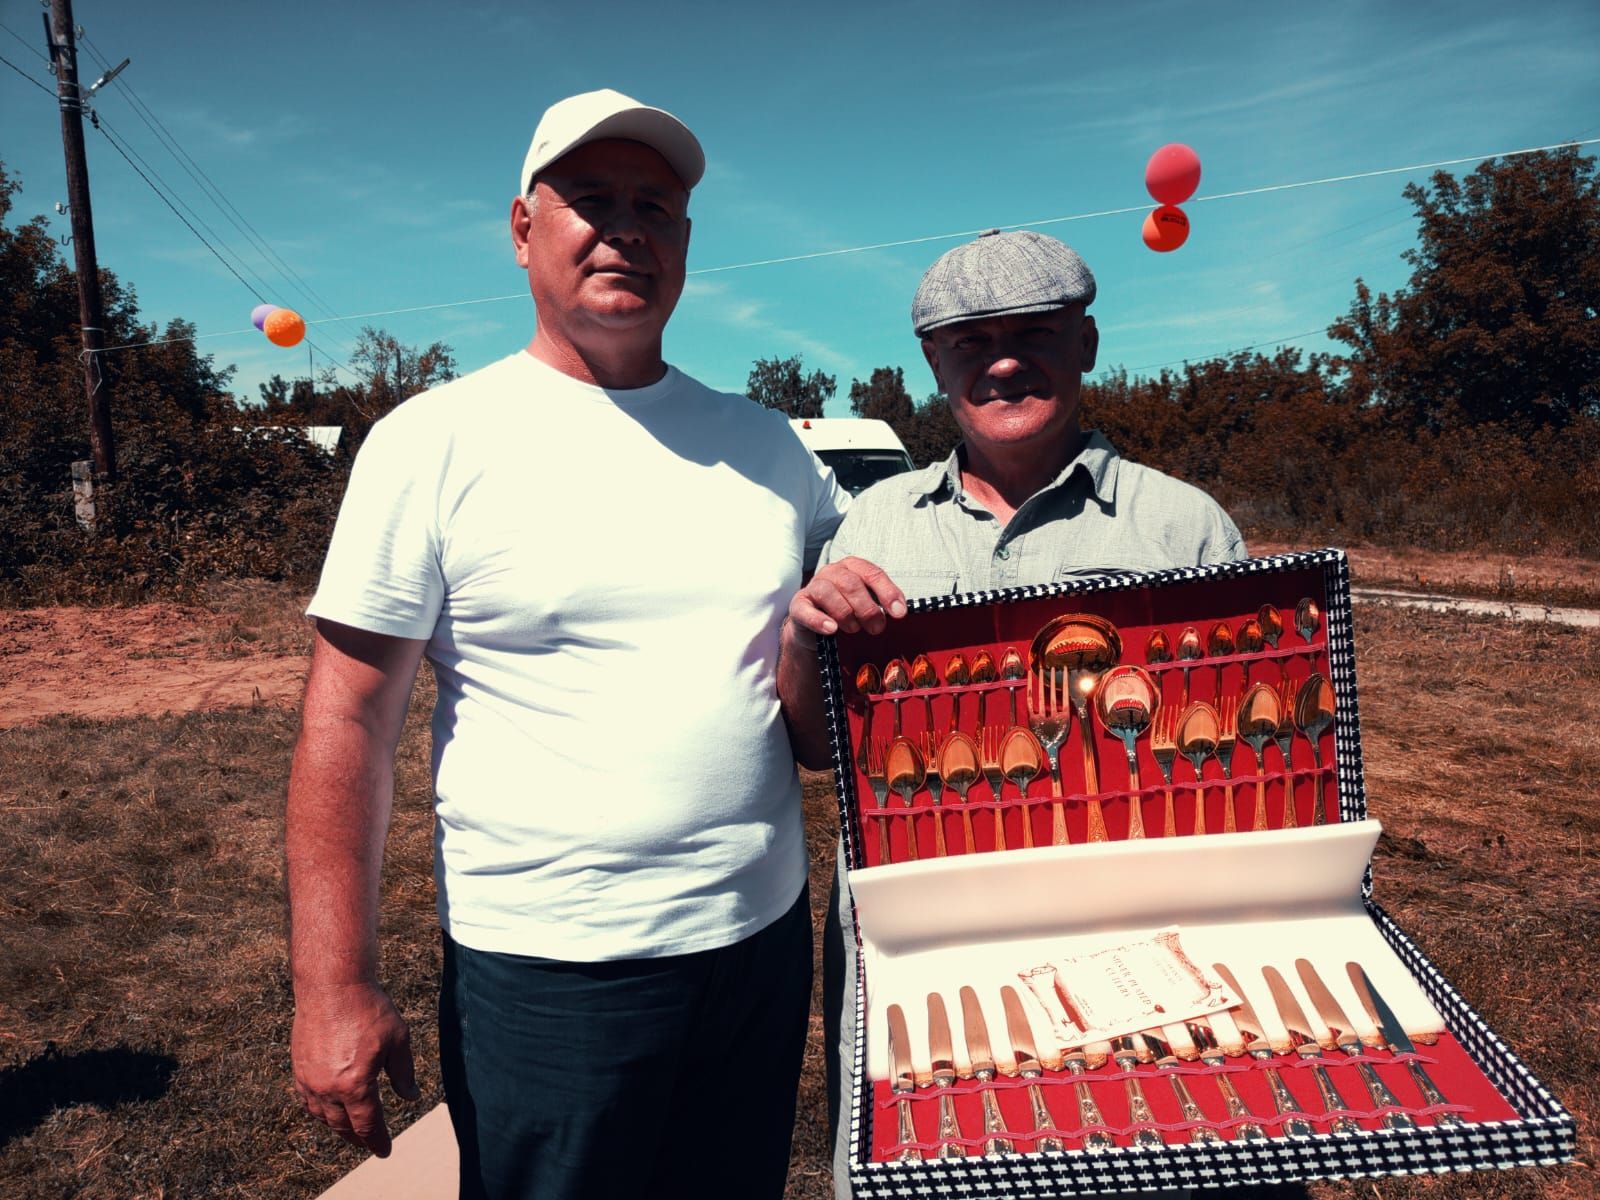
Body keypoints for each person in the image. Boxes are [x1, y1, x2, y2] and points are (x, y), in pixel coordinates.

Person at [286, 88, 849, 1200]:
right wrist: (331, 985)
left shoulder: (773, 448)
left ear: (684, 242)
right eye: (590, 199)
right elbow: (346, 717)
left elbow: (818, 707)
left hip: (757, 944)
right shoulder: (433, 442)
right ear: (521, 227)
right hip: (551, 966)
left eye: (657, 205)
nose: (626, 227)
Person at [776, 229, 1245, 1198]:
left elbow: (1232, 764)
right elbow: (819, 749)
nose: (1002, 359)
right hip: (916, 934)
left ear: (1086, 343)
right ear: (931, 363)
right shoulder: (871, 527)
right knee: (928, 1158)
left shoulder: (1182, 525)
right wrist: (800, 639)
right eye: (968, 340)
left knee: (1138, 1156)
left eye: (1035, 330)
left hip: (1130, 925)